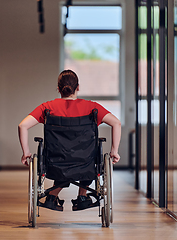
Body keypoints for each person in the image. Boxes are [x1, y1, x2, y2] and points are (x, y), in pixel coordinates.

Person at [18, 69, 121, 211]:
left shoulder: (47, 108)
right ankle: (83, 196)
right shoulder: (92, 108)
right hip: (86, 162)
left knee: (65, 158)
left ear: (58, 89)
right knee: (85, 156)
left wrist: (26, 153)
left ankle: (52, 196)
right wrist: (114, 151)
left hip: (56, 162)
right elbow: (116, 123)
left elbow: (22, 125)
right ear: (78, 87)